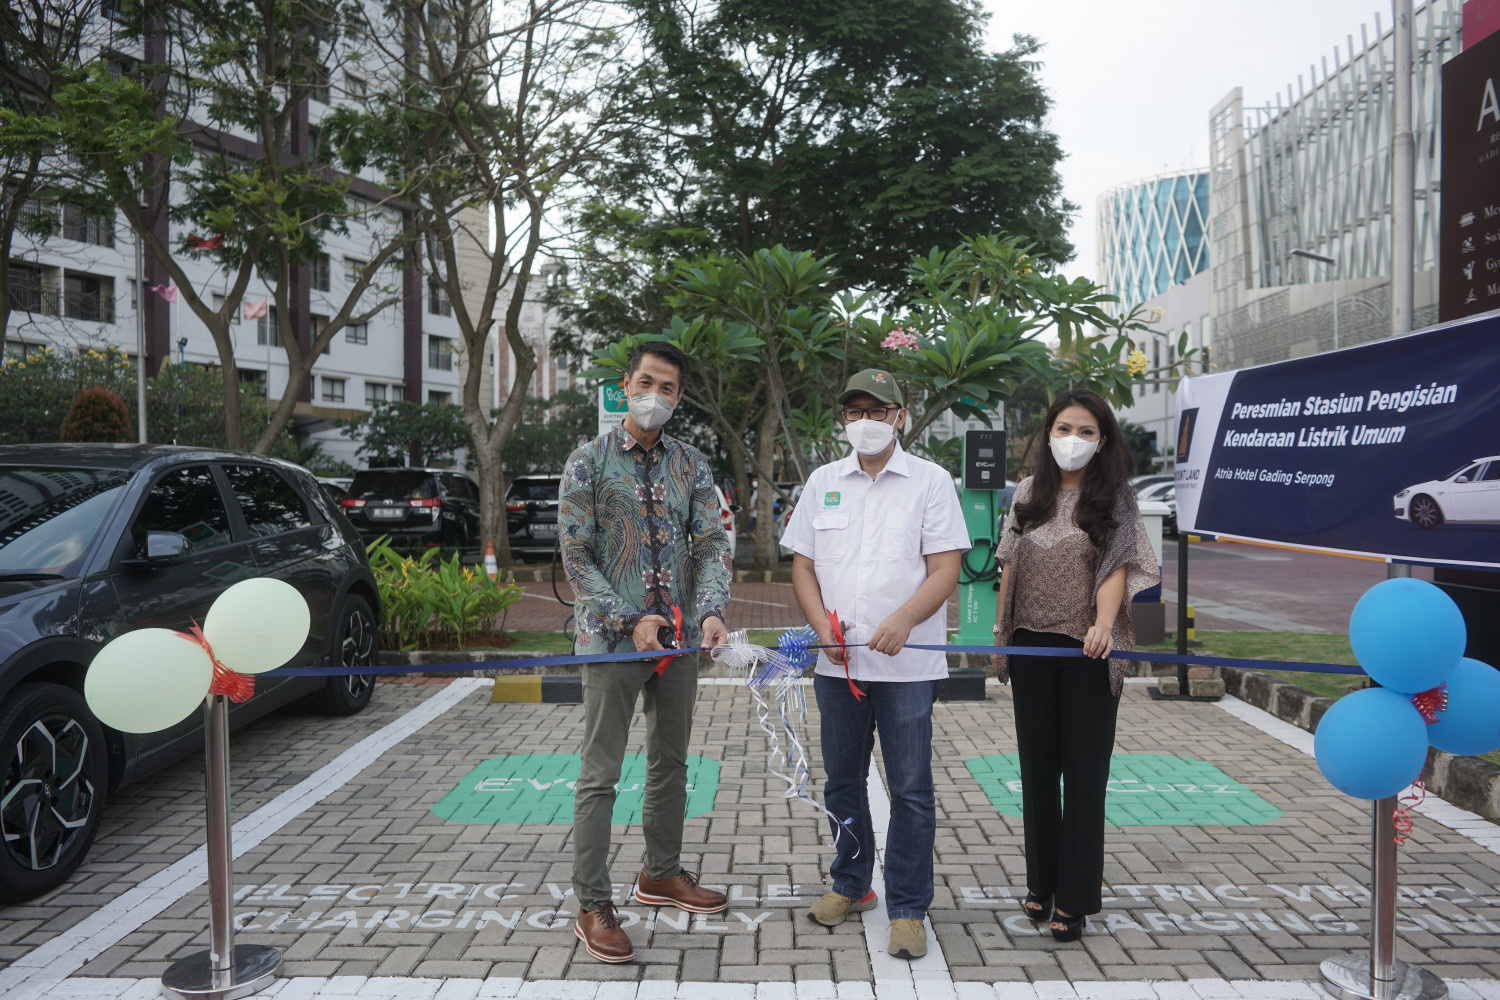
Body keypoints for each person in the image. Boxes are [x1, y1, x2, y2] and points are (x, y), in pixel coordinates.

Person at [780, 368, 970, 960]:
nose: (865, 421)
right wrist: (820, 630)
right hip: (838, 667)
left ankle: (908, 907)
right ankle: (851, 885)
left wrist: (905, 619)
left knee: (911, 789)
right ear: (845, 420)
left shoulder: (930, 482)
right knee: (842, 781)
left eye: (877, 410)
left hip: (906, 669)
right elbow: (804, 567)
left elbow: (945, 569)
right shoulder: (822, 481)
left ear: (899, 417)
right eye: (854, 411)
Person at [559, 341, 734, 963]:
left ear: (678, 398)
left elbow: (713, 542)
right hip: (611, 642)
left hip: (681, 640)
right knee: (600, 773)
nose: (654, 395)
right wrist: (630, 618)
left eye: (667, 388)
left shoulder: (692, 465)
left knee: (671, 764)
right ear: (624, 384)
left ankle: (661, 873)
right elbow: (576, 557)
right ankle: (592, 903)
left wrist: (712, 609)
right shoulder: (588, 462)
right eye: (645, 382)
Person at [989, 387, 1158, 942]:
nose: (1073, 440)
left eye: (1086, 431)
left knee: (1084, 776)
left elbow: (1117, 567)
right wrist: (1000, 634)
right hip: (1030, 647)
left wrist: (1104, 626)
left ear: (1102, 440)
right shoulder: (1026, 493)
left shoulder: (1115, 498)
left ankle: (1076, 899)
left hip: (1090, 650)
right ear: (1047, 434)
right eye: (1064, 429)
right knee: (1038, 772)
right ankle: (1041, 885)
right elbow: (1008, 566)